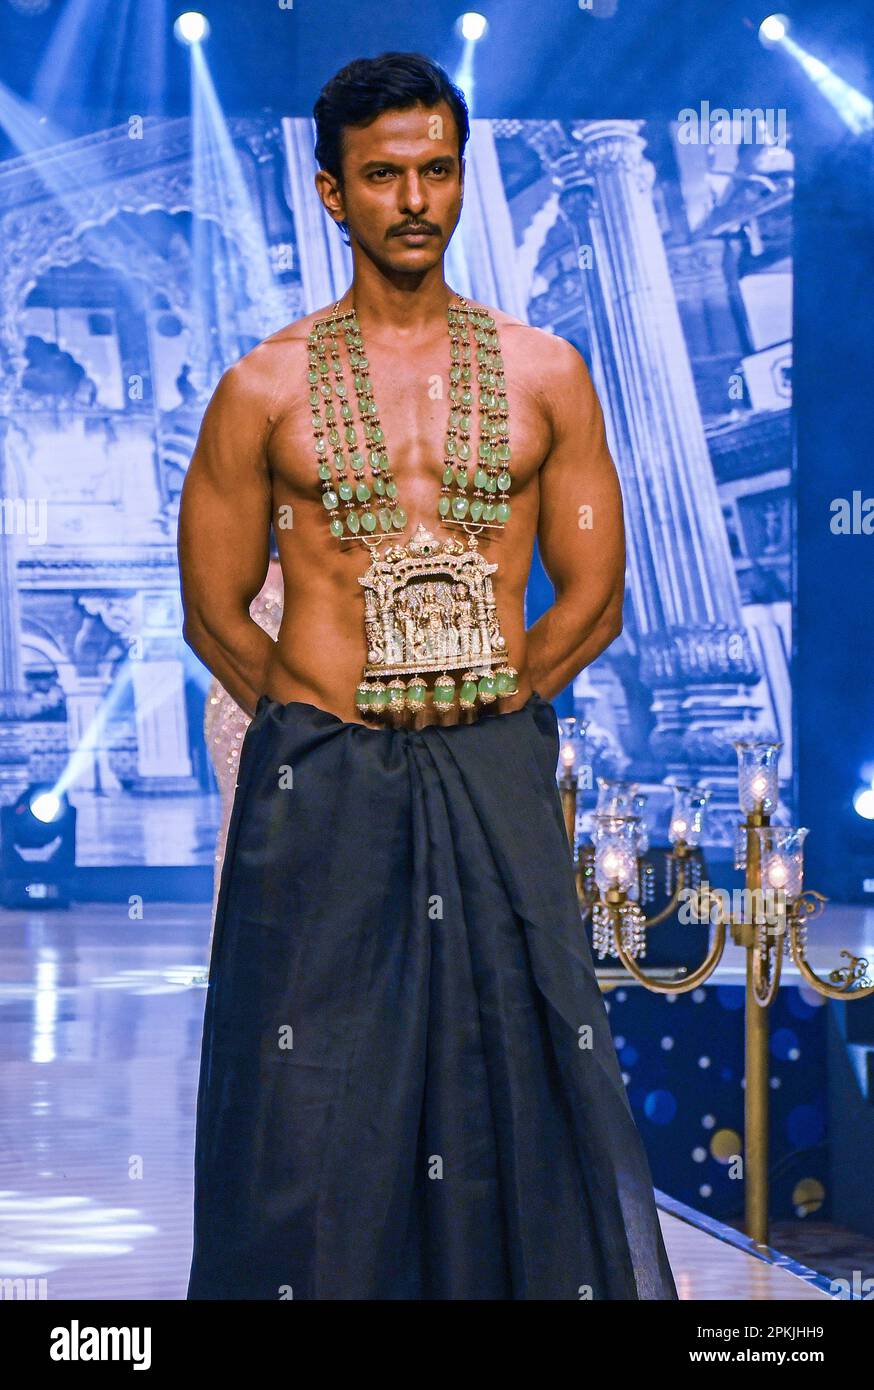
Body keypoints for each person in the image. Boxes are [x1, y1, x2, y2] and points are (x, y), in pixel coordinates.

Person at [178, 51, 678, 1301]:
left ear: (462, 177)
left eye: (437, 171)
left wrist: (501, 707)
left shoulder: (545, 372)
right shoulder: (263, 387)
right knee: (305, 1098)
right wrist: (310, 720)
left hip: (490, 764)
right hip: (324, 777)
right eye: (383, 176)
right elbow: (212, 607)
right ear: (331, 195)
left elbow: (596, 593)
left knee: (518, 1064)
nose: (415, 200)